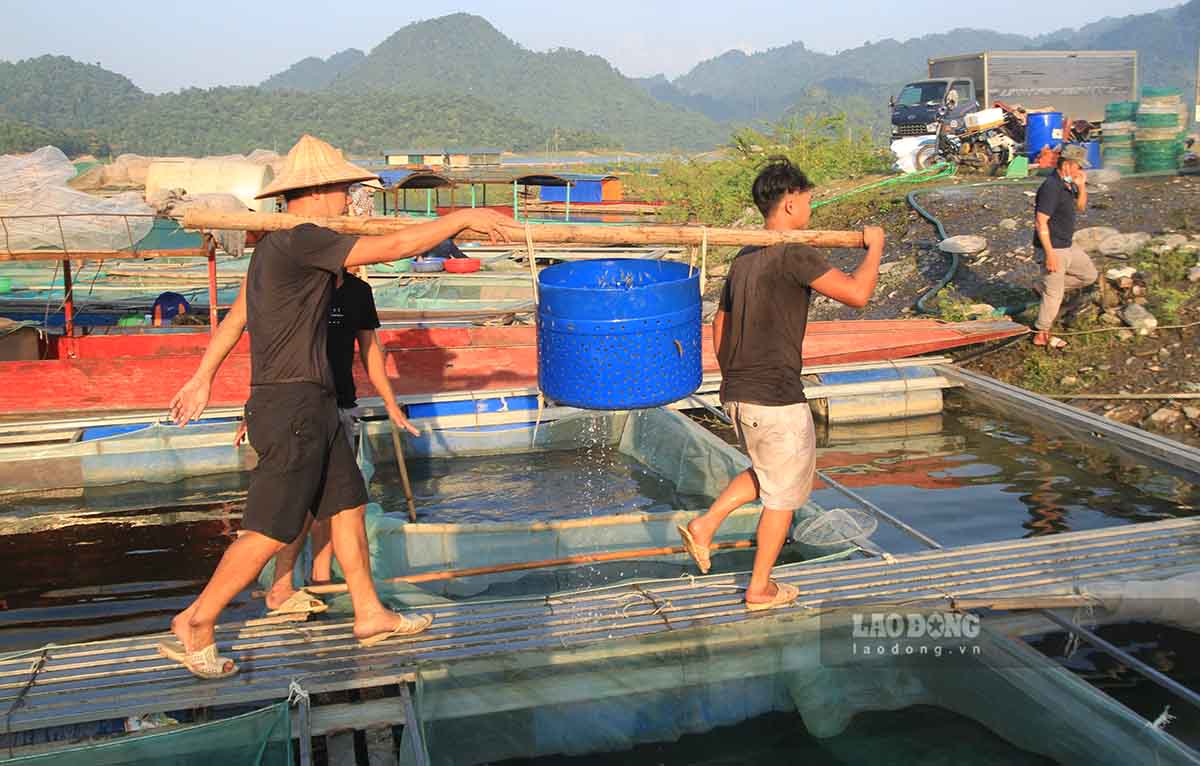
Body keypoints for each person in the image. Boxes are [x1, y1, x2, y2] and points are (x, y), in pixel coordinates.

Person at [162, 134, 520, 679]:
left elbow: (238, 318)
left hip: (316, 402)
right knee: (271, 527)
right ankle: (198, 619)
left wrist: (203, 377)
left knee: (347, 504)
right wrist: (462, 217)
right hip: (293, 404)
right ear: (317, 191)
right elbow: (395, 248)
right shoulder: (303, 239)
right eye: (346, 191)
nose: (350, 202)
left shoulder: (275, 248)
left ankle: (370, 613)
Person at [677, 158, 885, 611]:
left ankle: (706, 525)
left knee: (770, 475)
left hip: (738, 394)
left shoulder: (746, 256)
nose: (811, 207)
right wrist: (875, 248)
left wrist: (733, 373)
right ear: (790, 202)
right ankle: (760, 589)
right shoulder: (794, 250)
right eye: (808, 199)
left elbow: (720, 323)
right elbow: (857, 294)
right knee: (784, 497)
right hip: (775, 396)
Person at [234, 267, 422, 618]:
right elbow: (273, 351)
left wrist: (391, 404)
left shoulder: (357, 292)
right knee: (299, 504)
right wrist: (259, 409)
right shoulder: (298, 283)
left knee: (336, 503)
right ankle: (281, 584)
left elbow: (369, 351)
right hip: (299, 408)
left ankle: (320, 580)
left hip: (337, 407)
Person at [1031, 144, 1097, 349]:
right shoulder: (1051, 187)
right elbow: (1040, 222)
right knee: (1054, 295)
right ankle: (1040, 334)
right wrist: (1050, 255)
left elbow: (1081, 206)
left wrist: (1082, 185)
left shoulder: (1069, 184)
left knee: (1089, 275)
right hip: (1053, 247)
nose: (1081, 170)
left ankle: (1043, 286)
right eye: (1079, 166)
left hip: (1068, 244)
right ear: (1067, 165)